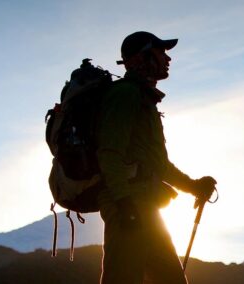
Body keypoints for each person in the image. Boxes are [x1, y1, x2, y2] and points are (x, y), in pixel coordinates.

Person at [95, 31, 217, 284]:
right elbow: (109, 153)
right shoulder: (125, 95)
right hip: (128, 205)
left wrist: (194, 187)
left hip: (144, 205)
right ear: (144, 56)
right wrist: (124, 204)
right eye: (161, 52)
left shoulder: (144, 100)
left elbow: (159, 165)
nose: (167, 58)